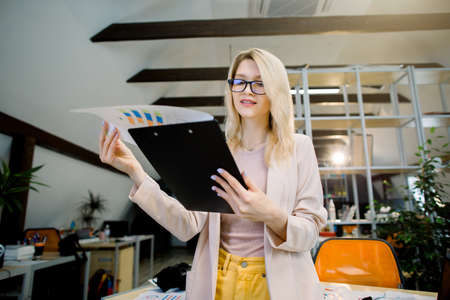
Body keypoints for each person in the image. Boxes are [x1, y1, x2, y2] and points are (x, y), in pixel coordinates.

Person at [99, 48, 327, 300]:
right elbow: (187, 225)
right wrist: (136, 172)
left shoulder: (300, 147)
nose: (247, 90)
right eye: (239, 81)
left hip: (278, 286)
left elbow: (310, 234)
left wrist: (272, 215)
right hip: (218, 283)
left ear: (276, 91)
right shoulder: (215, 150)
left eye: (259, 83)